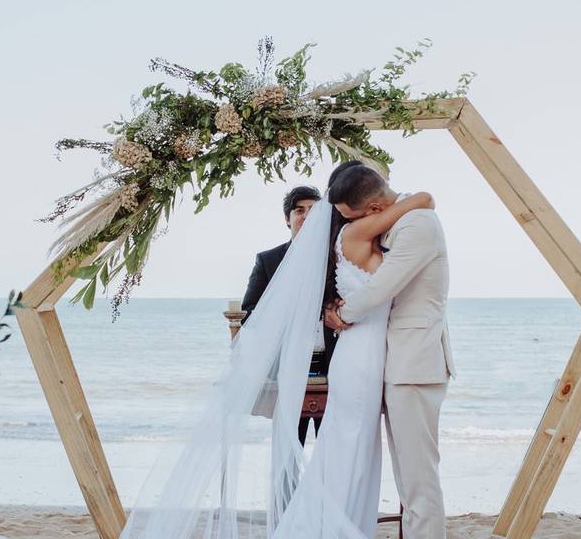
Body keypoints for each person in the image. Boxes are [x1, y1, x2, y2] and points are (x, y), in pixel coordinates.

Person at [120, 163, 442, 539]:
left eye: (316, 210)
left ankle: (336, 521)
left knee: (345, 448)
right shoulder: (353, 233)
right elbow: (378, 284)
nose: (315, 218)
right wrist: (419, 199)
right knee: (344, 449)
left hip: (367, 358)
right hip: (358, 359)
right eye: (300, 211)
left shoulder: (357, 236)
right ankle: (325, 524)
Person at [325, 160, 455, 539]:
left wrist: (341, 314)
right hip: (394, 363)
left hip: (415, 364)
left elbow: (383, 286)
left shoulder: (419, 225)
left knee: (418, 479)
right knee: (407, 478)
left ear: (375, 209)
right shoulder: (407, 215)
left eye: (354, 218)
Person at [240, 186, 337, 444]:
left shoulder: (338, 257)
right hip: (288, 367)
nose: (306, 216)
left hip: (334, 365)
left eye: (314, 211)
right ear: (287, 218)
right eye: (299, 210)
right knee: (288, 445)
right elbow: (249, 315)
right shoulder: (268, 260)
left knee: (332, 449)